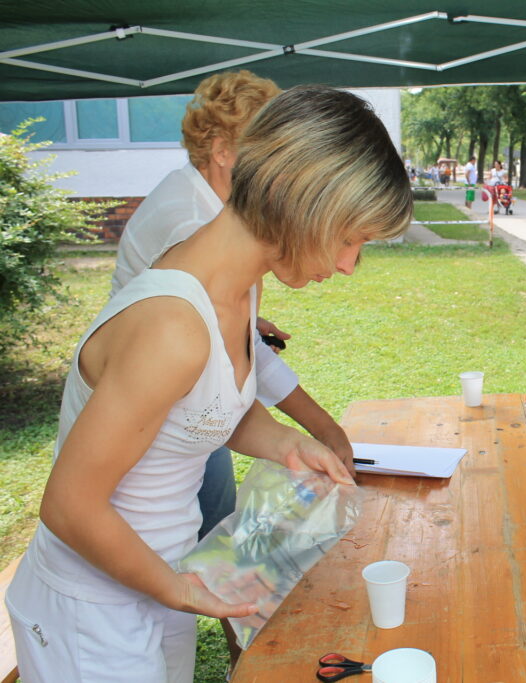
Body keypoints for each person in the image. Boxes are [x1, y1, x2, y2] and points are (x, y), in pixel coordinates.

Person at [5, 85, 413, 682]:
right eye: (352, 238)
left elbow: (201, 405)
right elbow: (69, 506)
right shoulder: (173, 325)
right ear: (302, 203)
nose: (350, 264)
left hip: (153, 579)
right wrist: (179, 590)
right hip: (92, 607)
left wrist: (283, 443)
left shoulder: (238, 284)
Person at [112, 71, 358, 549]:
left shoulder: (222, 220)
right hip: (150, 435)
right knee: (206, 539)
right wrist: (322, 425)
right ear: (222, 150)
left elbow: (238, 348)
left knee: (206, 541)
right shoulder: (192, 226)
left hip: (182, 411)